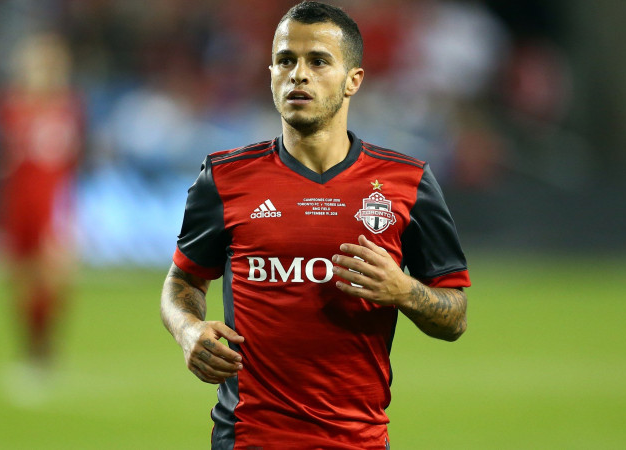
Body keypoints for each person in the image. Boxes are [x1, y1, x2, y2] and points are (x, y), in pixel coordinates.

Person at [161, 2, 470, 448]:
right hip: (248, 439)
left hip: (358, 440)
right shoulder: (224, 179)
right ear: (271, 73)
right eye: (286, 60)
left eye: (318, 61)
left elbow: (455, 316)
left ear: (353, 80)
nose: (298, 75)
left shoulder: (407, 182)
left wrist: (404, 291)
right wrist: (188, 330)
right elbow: (182, 282)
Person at [0, 33, 83, 376]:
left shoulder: (69, 107)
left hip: (53, 201)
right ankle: (31, 347)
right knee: (20, 277)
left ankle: (46, 347)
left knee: (56, 274)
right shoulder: (9, 107)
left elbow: (72, 160)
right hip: (18, 201)